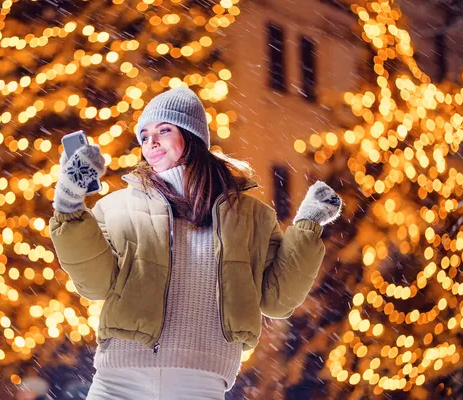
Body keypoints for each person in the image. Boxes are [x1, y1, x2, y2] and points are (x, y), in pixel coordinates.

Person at [49, 87, 343, 399]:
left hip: (199, 382)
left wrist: (308, 224)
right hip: (119, 380)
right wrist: (69, 201)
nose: (152, 143)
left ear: (192, 136)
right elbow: (94, 283)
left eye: (164, 130)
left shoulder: (250, 216)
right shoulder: (115, 207)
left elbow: (278, 299)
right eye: (145, 136)